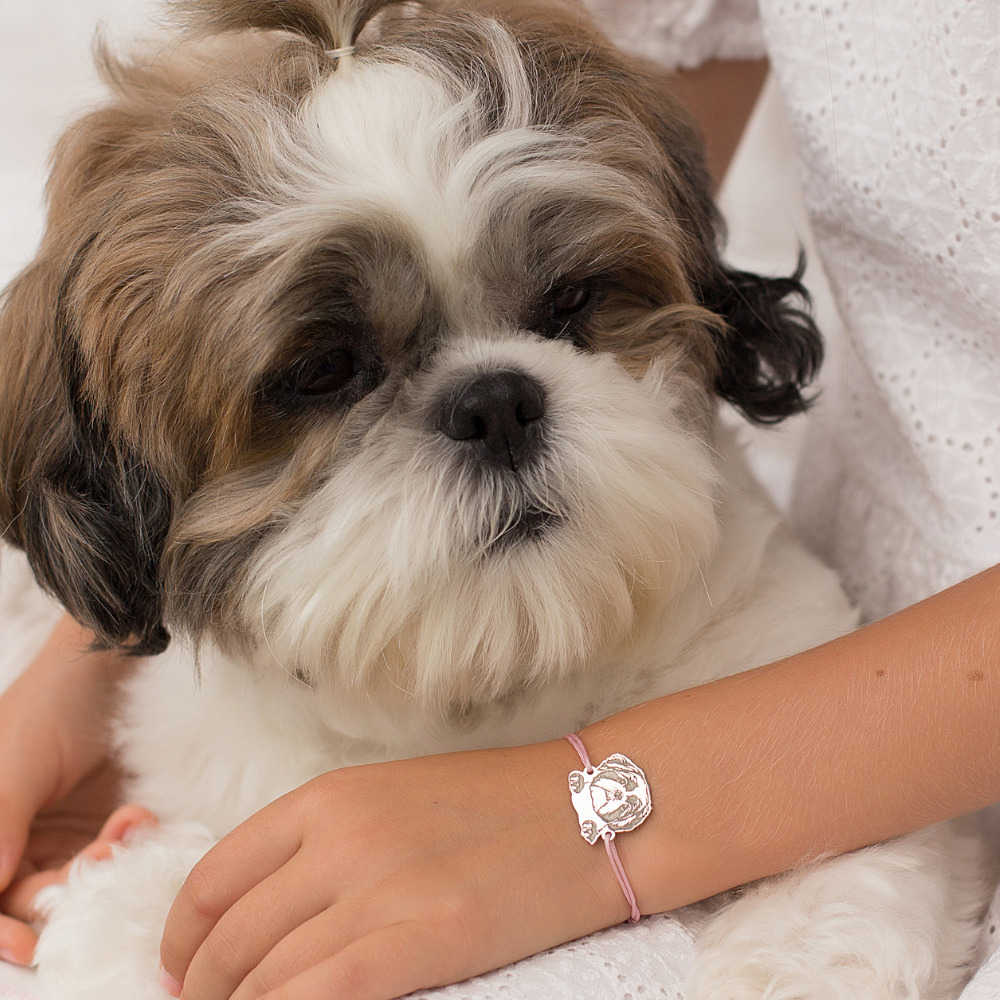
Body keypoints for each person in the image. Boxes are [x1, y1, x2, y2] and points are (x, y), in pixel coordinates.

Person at [1, 0, 998, 997]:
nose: (496, 415)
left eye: (565, 310)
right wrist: (94, 649)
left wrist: (587, 818)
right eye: (328, 373)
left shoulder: (760, 633)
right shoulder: (199, 745)